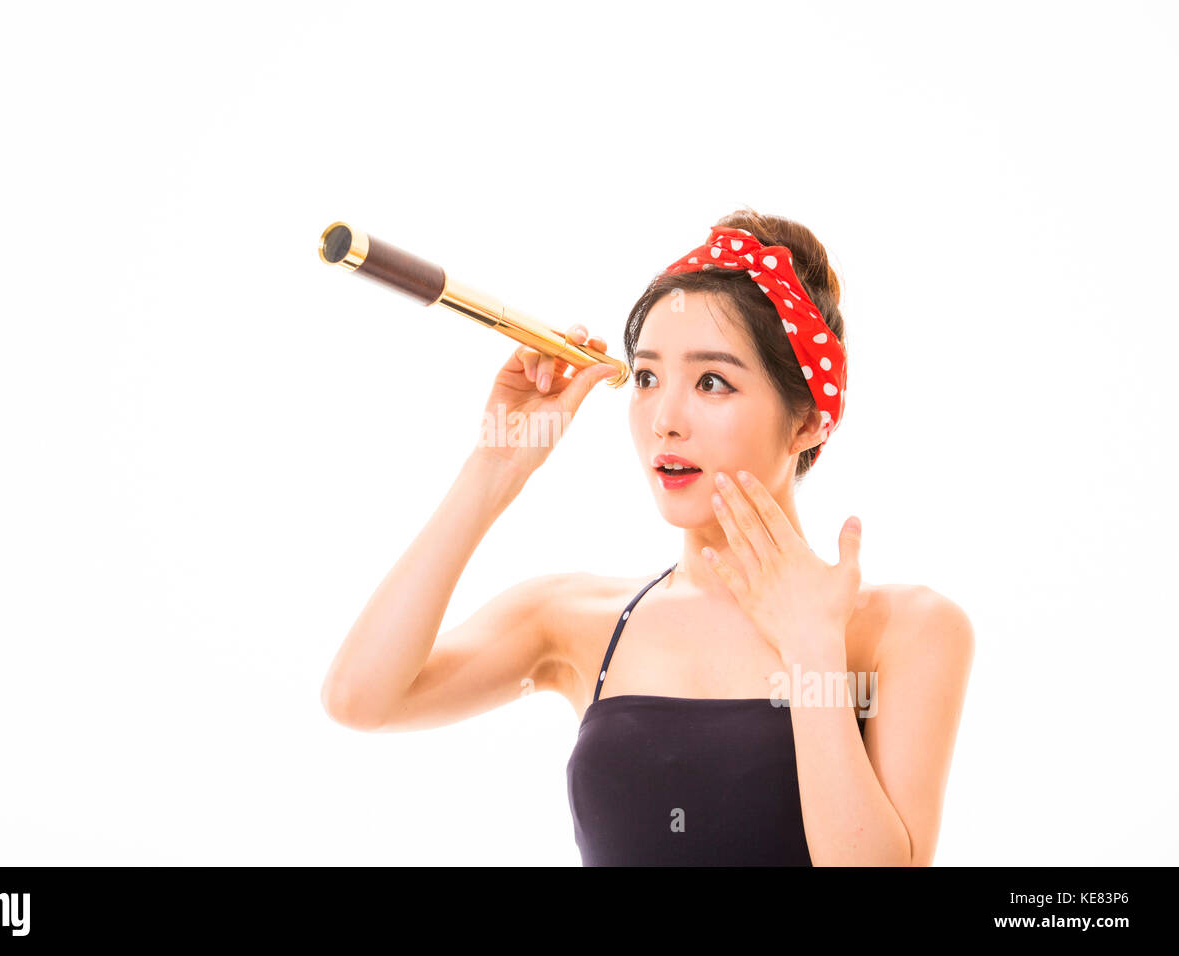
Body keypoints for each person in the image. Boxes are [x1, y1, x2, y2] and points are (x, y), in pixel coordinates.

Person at [320, 207, 974, 866]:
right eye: (648, 378)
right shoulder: (572, 617)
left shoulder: (906, 629)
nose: (664, 419)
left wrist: (811, 647)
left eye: (712, 382)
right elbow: (359, 699)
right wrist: (495, 468)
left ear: (807, 422)